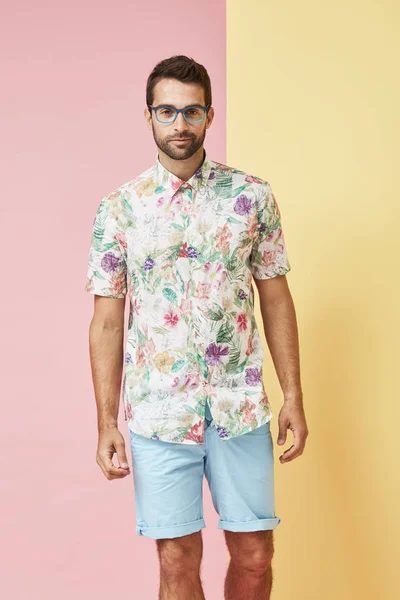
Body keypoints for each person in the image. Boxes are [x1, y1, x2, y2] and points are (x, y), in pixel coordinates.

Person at [85, 54, 308, 600]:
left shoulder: (251, 197)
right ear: (149, 117)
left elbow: (276, 299)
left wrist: (294, 395)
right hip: (159, 411)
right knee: (177, 560)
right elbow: (108, 321)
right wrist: (106, 421)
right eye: (167, 111)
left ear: (210, 115)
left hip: (240, 407)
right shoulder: (120, 210)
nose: (179, 124)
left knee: (255, 556)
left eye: (191, 112)